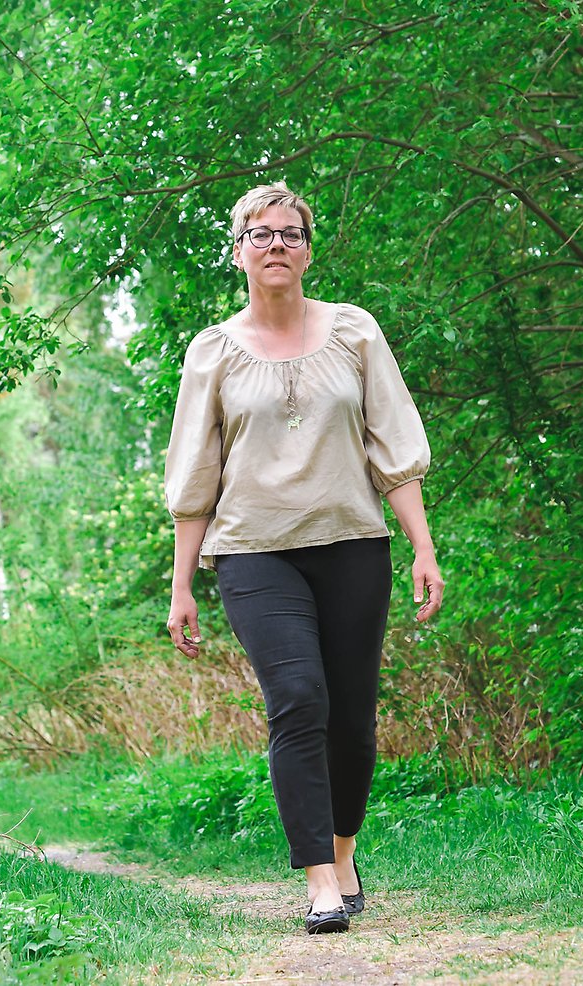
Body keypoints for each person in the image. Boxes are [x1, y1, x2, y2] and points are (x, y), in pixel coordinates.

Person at [164, 181, 444, 934]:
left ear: (308, 251)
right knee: (298, 697)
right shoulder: (213, 351)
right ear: (239, 253)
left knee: (350, 717)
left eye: (290, 233)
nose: (276, 245)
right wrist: (182, 585)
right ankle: (320, 879)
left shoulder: (355, 332)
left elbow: (393, 447)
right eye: (260, 235)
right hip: (255, 553)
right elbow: (195, 475)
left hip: (353, 544)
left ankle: (345, 854)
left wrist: (422, 546)